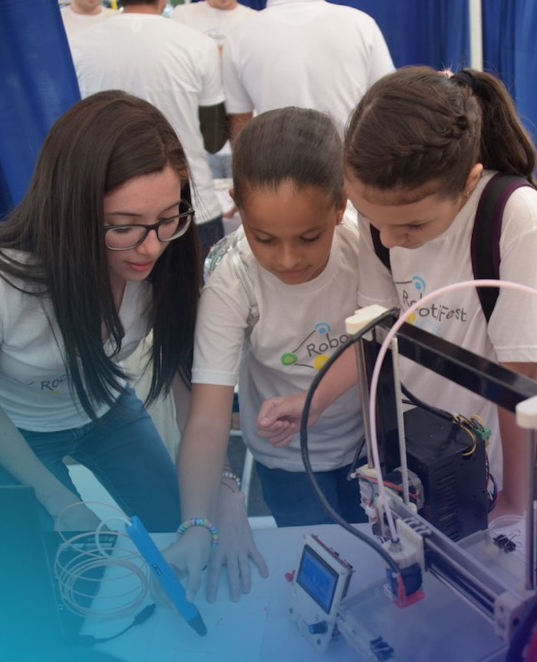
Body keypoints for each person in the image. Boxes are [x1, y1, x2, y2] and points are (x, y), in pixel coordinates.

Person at [259, 67, 537, 520]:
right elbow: (375, 329)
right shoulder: (383, 217)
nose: (390, 239)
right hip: (408, 448)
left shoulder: (515, 216)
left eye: (413, 225)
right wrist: (312, 401)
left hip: (487, 463)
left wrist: (517, 498)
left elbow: (521, 373)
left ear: (469, 182)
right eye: (373, 220)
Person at [0, 91, 201, 532]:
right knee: (74, 554)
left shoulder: (165, 265)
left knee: (174, 522)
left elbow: (189, 395)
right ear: (69, 210)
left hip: (107, 407)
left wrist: (215, 494)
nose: (151, 248)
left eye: (168, 218)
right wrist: (60, 502)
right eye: (124, 226)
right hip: (14, 429)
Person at [164, 107, 366, 603]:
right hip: (288, 462)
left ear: (341, 206)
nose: (288, 259)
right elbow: (208, 417)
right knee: (323, 575)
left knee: (374, 564)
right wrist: (197, 522)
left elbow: (382, 337)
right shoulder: (232, 281)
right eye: (265, 238)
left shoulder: (366, 245)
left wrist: (316, 400)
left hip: (369, 446)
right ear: (236, 208)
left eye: (309, 237)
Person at [70, 0, 229, 254]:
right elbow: (214, 139)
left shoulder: (77, 46)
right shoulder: (199, 45)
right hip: (187, 204)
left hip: (107, 209)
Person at [220, 0, 394, 137]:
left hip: (276, 165)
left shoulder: (238, 36)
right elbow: (388, 105)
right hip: (348, 163)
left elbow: (240, 123)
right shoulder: (362, 25)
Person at [170, 0, 258, 181]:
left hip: (244, 134)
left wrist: (209, 55)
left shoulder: (255, 20)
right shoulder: (183, 14)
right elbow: (176, 66)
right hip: (195, 138)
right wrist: (228, 56)